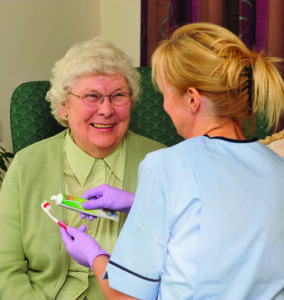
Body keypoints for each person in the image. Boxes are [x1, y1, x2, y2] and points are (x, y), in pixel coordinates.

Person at [60, 22, 284, 299]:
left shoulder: (167, 165)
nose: (165, 106)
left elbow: (126, 296)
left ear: (192, 99)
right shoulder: (277, 169)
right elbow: (226, 220)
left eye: (165, 94)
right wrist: (138, 202)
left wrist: (93, 255)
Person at [0, 37, 165, 300]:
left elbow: (181, 265)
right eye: (92, 96)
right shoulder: (26, 165)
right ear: (64, 106)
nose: (107, 109)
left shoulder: (163, 163)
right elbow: (5, 269)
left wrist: (144, 205)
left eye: (118, 96)